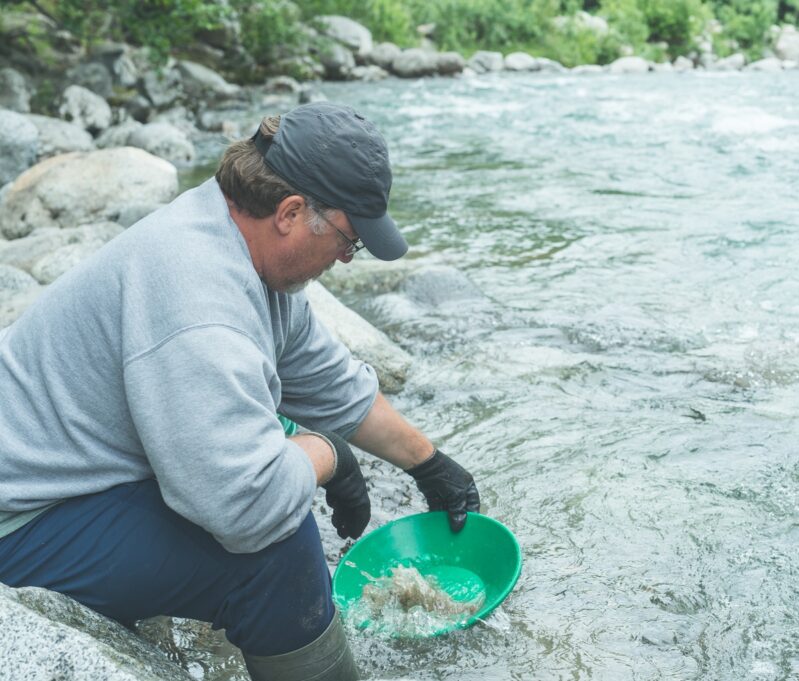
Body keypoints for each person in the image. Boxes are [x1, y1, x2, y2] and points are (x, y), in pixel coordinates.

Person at [0, 102, 480, 681]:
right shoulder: (199, 303)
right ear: (292, 212)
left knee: (271, 457)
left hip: (62, 477)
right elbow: (245, 509)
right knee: (278, 553)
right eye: (348, 243)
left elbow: (328, 381)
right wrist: (328, 456)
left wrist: (428, 464)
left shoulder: (232, 237)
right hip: (23, 521)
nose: (345, 261)